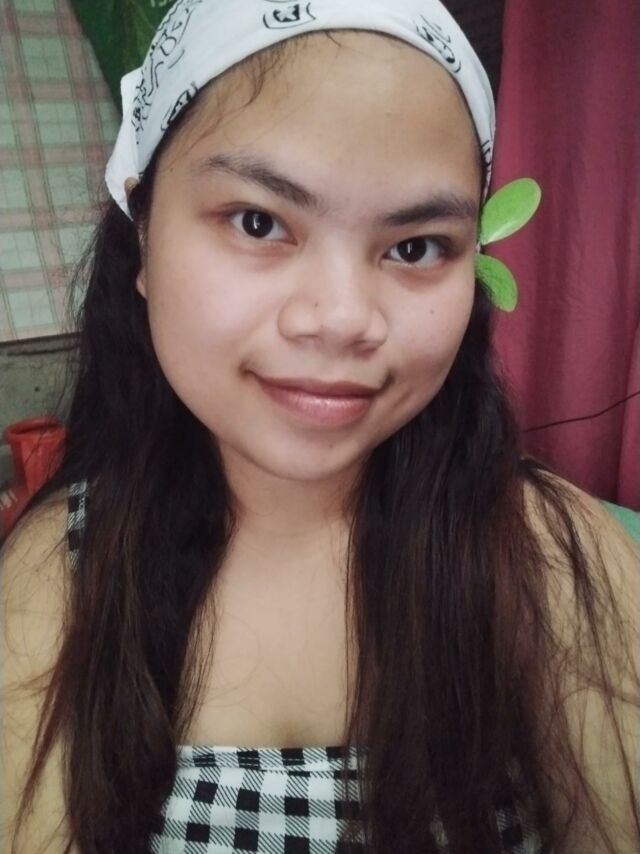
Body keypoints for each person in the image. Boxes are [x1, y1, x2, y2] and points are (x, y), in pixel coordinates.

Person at [2, 1, 638, 853]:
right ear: (143, 236)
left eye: (416, 246)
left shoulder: (555, 559)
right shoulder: (60, 578)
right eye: (259, 222)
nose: (341, 320)